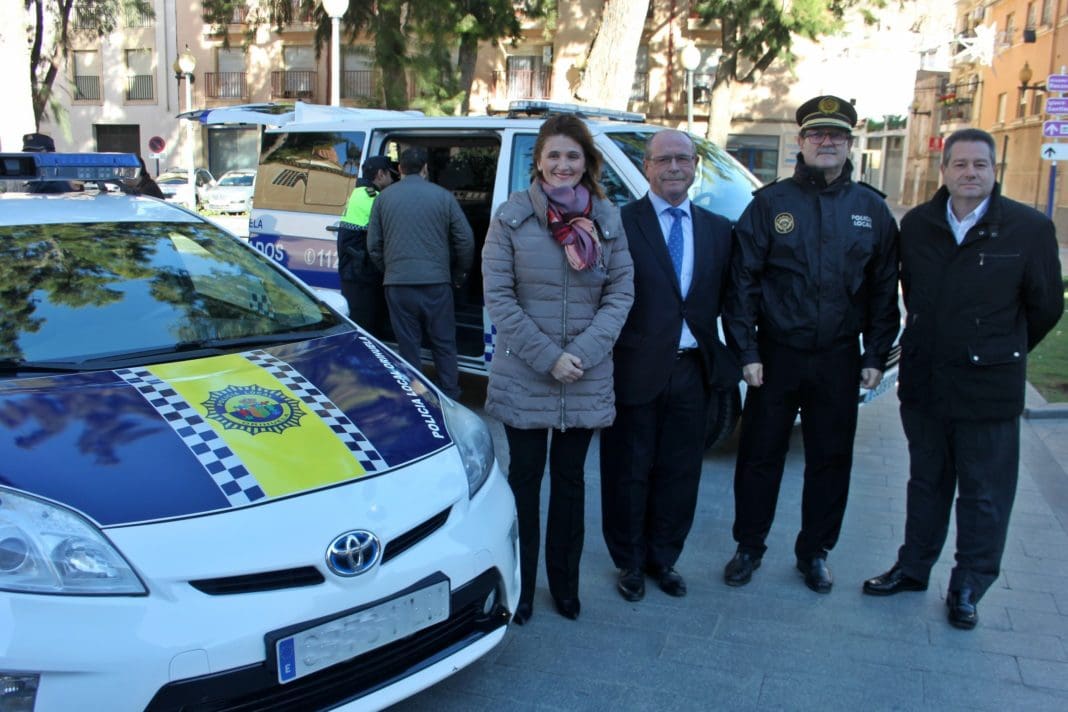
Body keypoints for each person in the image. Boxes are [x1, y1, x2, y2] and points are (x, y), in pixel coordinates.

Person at [862, 128, 1063, 629]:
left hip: (988, 391)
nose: (970, 173)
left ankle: (969, 584)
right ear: (944, 170)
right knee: (926, 483)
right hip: (927, 383)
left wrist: (1000, 351)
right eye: (960, 164)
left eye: (980, 165)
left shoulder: (1028, 228)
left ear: (995, 171)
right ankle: (912, 568)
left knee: (984, 494)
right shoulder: (919, 225)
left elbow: (1044, 307)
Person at [722, 95, 900, 593]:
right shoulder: (770, 204)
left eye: (837, 136)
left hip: (840, 359)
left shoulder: (872, 209)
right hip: (776, 358)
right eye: (818, 135)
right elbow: (743, 285)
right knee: (760, 456)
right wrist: (747, 352)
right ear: (800, 142)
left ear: (849, 144)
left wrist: (875, 355)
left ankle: (815, 552)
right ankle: (748, 546)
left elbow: (885, 290)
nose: (827, 142)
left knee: (830, 459)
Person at [482, 114, 634, 624]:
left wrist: (583, 355)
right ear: (539, 161)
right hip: (526, 372)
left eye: (573, 156)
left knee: (570, 482)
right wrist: (550, 357)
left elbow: (621, 294)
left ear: (587, 162)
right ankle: (522, 588)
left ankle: (565, 587)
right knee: (525, 479)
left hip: (584, 377)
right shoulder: (511, 217)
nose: (563, 165)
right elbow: (499, 299)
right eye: (554, 155)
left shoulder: (608, 219)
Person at [599, 129, 737, 602]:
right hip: (634, 368)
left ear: (695, 165)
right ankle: (630, 562)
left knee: (681, 471)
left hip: (692, 370)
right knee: (629, 468)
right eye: (664, 160)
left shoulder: (718, 229)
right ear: (647, 167)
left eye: (682, 158)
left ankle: (664, 558)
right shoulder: (619, 223)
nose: (674, 167)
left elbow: (732, 301)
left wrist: (742, 359)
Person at [367, 147, 474, 399]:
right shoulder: (443, 197)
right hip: (437, 284)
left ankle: (417, 398)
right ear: (425, 168)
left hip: (398, 286)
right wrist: (458, 275)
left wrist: (391, 271)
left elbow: (373, 246)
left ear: (400, 169)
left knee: (409, 347)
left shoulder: (383, 198)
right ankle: (449, 395)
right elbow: (465, 241)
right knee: (444, 344)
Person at [337, 156, 396, 337]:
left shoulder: (359, 192)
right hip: (361, 273)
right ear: (380, 174)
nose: (394, 180)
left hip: (353, 270)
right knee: (365, 328)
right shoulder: (372, 198)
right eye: (391, 175)